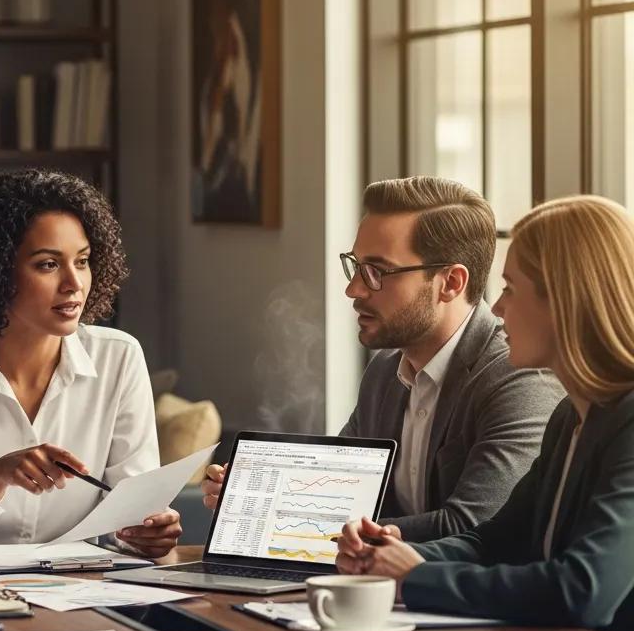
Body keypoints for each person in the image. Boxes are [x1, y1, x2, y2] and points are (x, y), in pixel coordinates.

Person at [335, 195, 634, 631]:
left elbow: (583, 590)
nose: (496, 308)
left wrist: (415, 578)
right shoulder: (571, 417)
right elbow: (493, 539)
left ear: (568, 301)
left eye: (513, 289)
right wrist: (389, 556)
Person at [203, 177, 563, 541]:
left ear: (451, 283)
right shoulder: (384, 371)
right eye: (356, 267)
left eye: (378, 272)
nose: (354, 289)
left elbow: (471, 526)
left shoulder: (518, 378)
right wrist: (257, 498)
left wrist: (306, 522)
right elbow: (340, 489)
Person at [0, 169, 181, 557]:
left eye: (82, 261)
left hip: (84, 583)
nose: (74, 283)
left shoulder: (120, 357)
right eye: (48, 264)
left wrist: (145, 531)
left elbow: (129, 513)